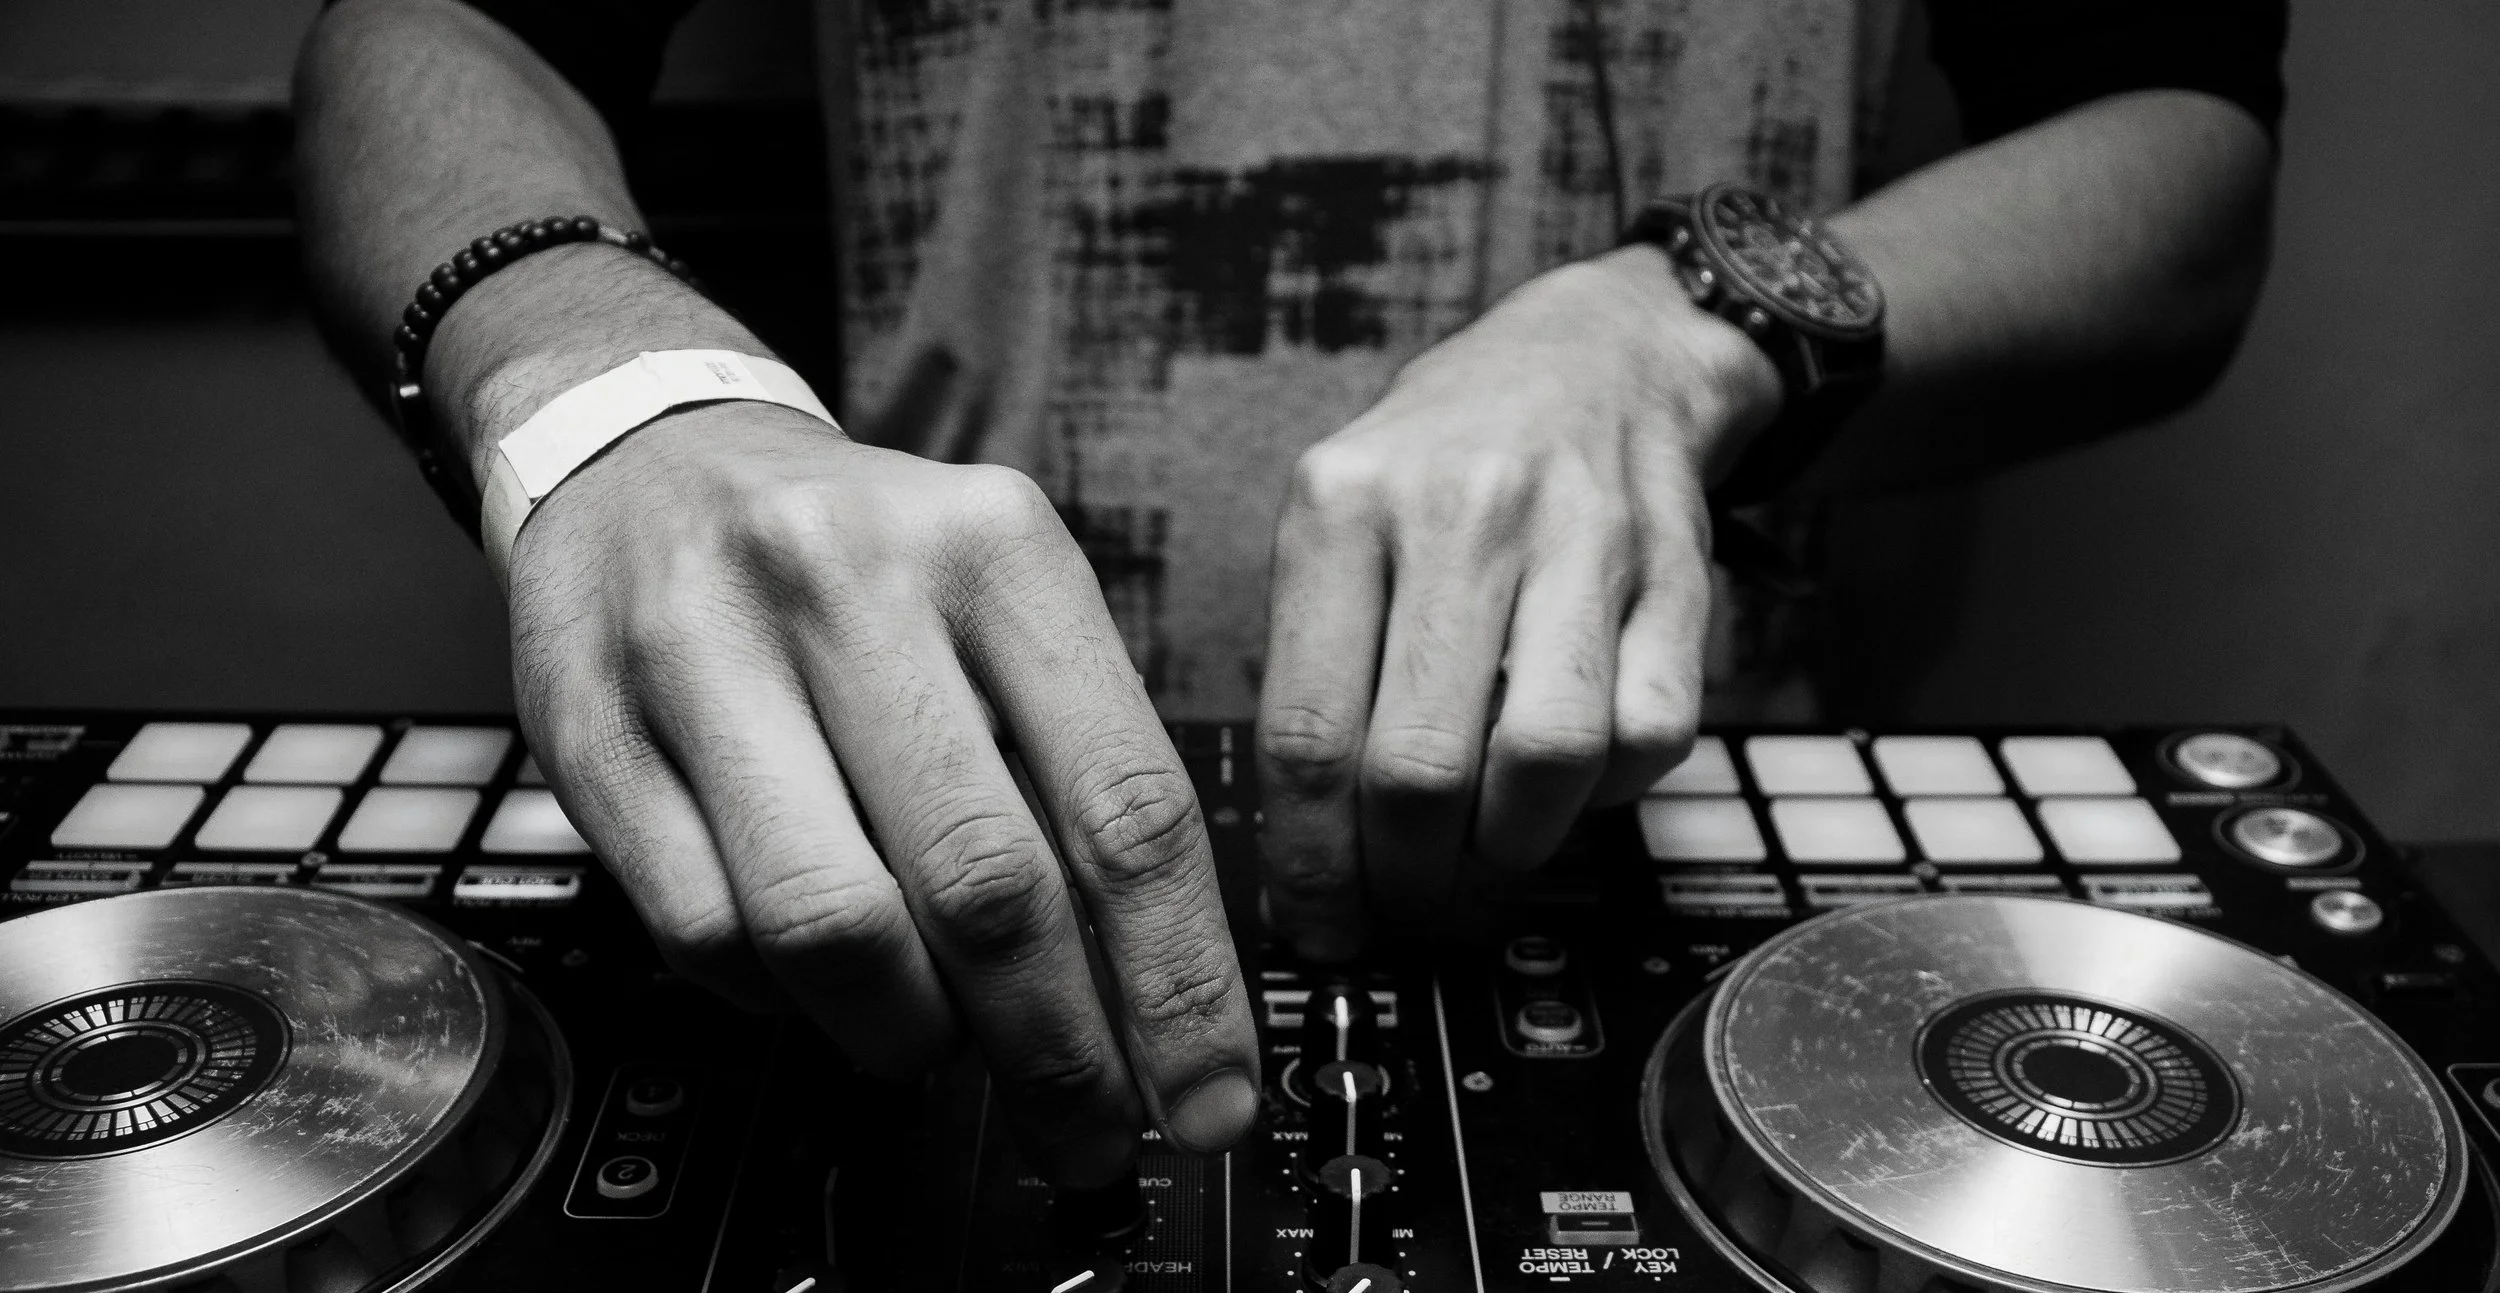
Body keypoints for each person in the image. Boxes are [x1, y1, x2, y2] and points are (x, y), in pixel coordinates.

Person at [293, 0, 2286, 1188]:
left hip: (1657, 840)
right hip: (865, 834)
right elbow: (430, 26)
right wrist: (609, 393)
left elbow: (2175, 156)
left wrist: (1689, 327)